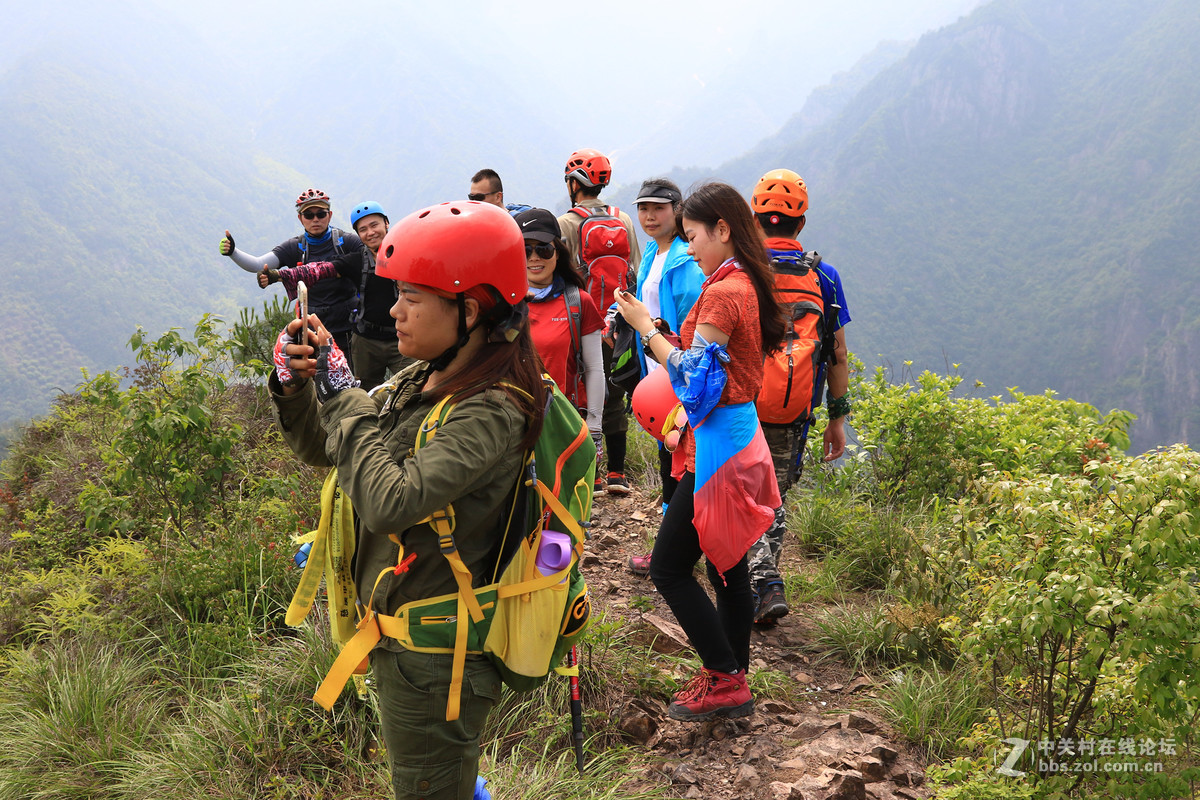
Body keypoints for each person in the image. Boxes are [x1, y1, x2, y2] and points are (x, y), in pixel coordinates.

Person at [269, 200, 543, 800]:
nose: (393, 312)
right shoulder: (427, 378)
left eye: (412, 298)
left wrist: (345, 394)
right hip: (405, 641)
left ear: (469, 309)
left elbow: (390, 501)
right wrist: (296, 386)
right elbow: (335, 450)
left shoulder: (493, 407)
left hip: (437, 656)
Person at [614, 181, 785, 721]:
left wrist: (646, 331)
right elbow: (713, 363)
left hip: (717, 450)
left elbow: (694, 381)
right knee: (727, 564)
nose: (688, 249)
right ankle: (733, 670)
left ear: (723, 230)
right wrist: (662, 327)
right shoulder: (743, 281)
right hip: (736, 437)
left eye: (693, 237)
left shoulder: (722, 291)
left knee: (668, 568)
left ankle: (726, 676)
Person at [746, 169, 852, 626]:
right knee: (773, 495)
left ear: (753, 219)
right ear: (801, 224)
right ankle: (765, 580)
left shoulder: (740, 269)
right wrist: (837, 418)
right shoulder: (824, 278)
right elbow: (838, 354)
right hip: (795, 409)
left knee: (737, 489)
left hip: (740, 402)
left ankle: (761, 580)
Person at [624, 178, 705, 576]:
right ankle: (675, 546)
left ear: (677, 210)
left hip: (678, 376)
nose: (650, 216)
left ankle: (672, 553)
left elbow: (693, 329)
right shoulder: (655, 255)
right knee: (669, 458)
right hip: (659, 374)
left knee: (678, 462)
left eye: (658, 208)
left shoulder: (684, 262)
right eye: (643, 209)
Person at [258, 201, 414, 390]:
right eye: (363, 229)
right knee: (364, 393)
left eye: (374, 225)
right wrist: (279, 276)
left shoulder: (409, 255)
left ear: (386, 224)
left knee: (410, 387)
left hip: (403, 337)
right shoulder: (357, 260)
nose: (370, 232)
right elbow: (318, 270)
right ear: (358, 235)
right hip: (366, 341)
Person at [557, 149, 642, 496]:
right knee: (614, 396)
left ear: (574, 185)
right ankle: (618, 473)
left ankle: (588, 474)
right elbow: (633, 269)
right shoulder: (623, 220)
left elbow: (556, 274)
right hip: (619, 322)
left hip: (581, 321)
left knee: (580, 393)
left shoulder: (566, 224)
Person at [219, 188, 363, 358]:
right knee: (317, 376)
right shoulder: (294, 247)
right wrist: (233, 252)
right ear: (300, 218)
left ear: (329, 215)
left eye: (321, 214)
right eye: (309, 215)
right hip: (311, 330)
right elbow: (258, 265)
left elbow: (372, 257)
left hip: (348, 327)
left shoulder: (346, 242)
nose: (315, 219)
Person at [515, 207, 605, 451]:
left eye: (543, 249)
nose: (534, 258)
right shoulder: (506, 304)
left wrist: (594, 427)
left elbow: (595, 369)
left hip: (566, 420)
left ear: (558, 252)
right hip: (514, 421)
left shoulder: (578, 302)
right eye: (525, 250)